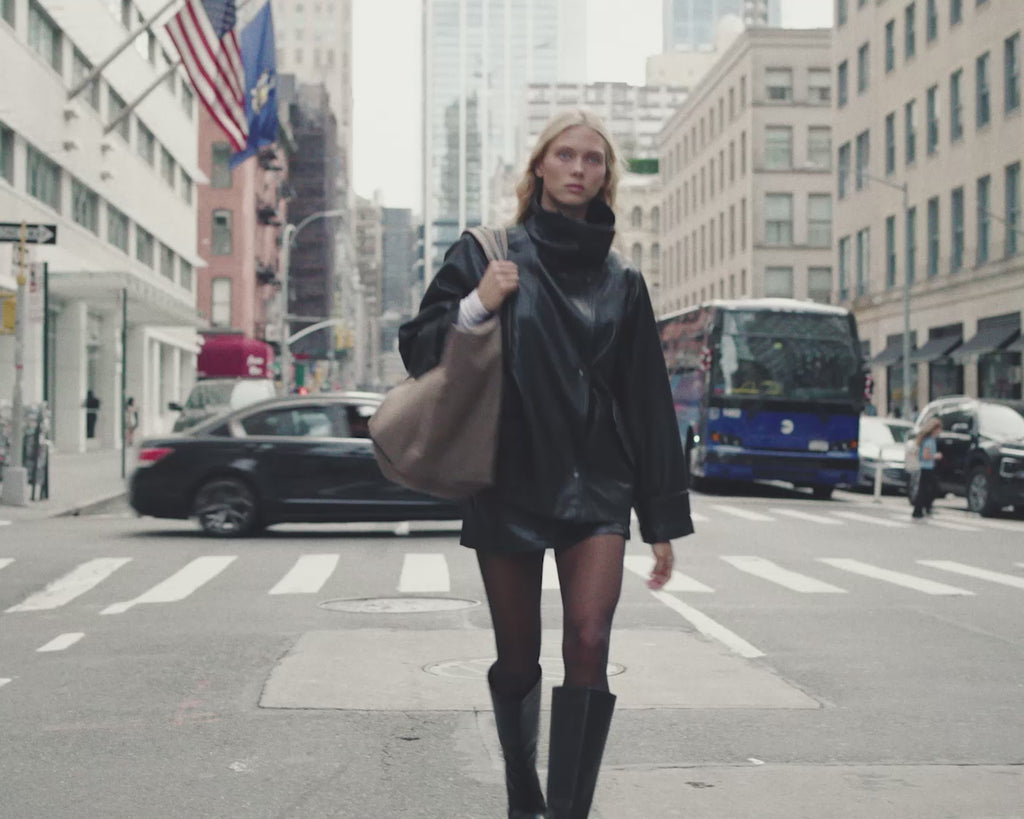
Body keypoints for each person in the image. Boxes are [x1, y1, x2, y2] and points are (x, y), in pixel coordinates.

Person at [399, 109, 694, 819]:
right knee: (518, 658)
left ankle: (567, 809)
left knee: (590, 640)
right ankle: (520, 784)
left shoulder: (624, 281)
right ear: (540, 167)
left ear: (605, 177)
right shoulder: (486, 253)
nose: (578, 168)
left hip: (596, 485)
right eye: (565, 154)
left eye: (593, 159)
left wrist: (660, 518)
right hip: (507, 477)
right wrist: (477, 303)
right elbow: (418, 348)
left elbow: (649, 403)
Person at [912, 417, 942, 519]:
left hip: (927, 468)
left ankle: (922, 509)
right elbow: (925, 456)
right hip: (927, 468)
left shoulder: (930, 440)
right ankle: (921, 509)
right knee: (929, 489)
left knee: (925, 489)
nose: (940, 431)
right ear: (934, 429)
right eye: (939, 429)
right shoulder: (929, 441)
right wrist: (935, 456)